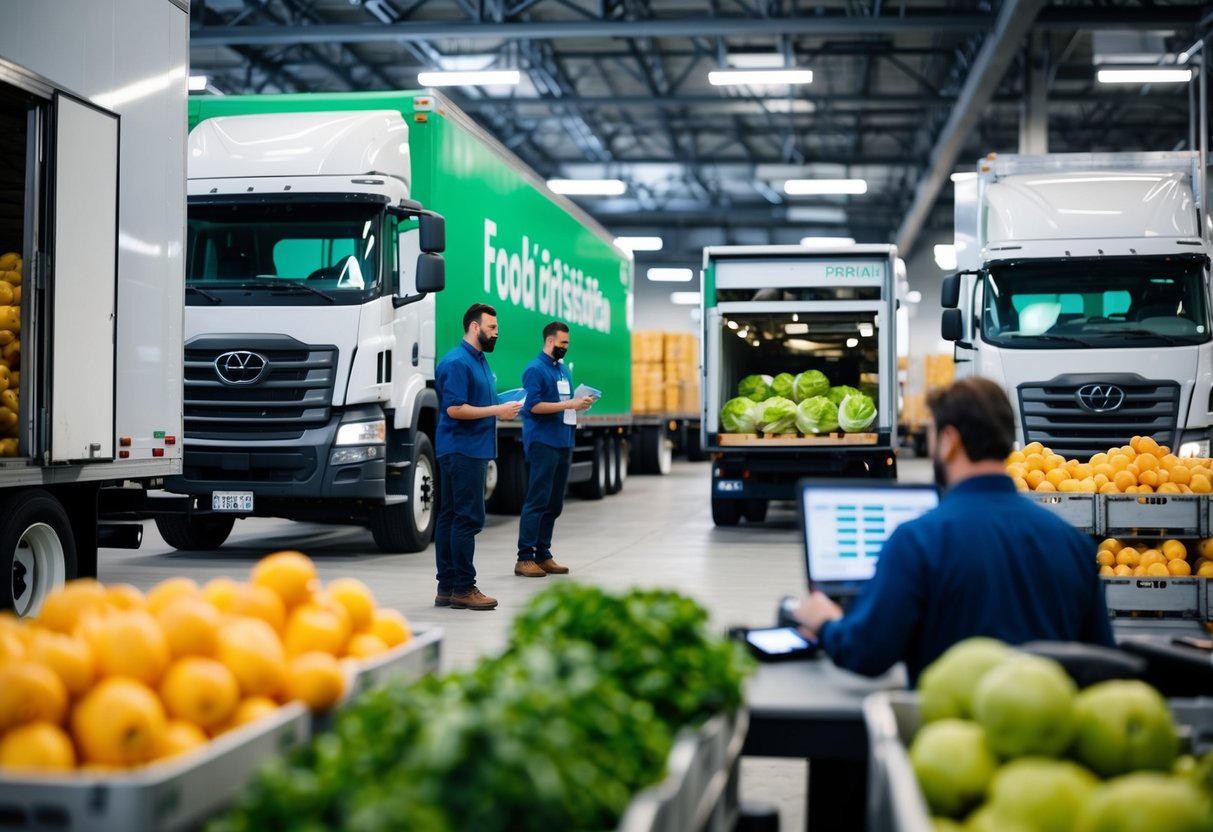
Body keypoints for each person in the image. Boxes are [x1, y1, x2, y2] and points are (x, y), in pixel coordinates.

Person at [793, 377, 1115, 682]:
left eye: (932, 435)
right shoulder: (1073, 544)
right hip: (1046, 731)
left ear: (949, 441)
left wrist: (825, 622)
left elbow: (866, 653)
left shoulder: (918, 542)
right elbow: (1102, 664)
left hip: (948, 731)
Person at [433, 303, 523, 611]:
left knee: (450, 516)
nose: (497, 333)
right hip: (462, 449)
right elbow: (454, 409)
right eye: (492, 328)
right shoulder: (457, 362)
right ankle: (463, 587)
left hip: (469, 448)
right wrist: (497, 410)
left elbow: (476, 402)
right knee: (467, 518)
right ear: (475, 327)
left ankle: (447, 587)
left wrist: (503, 404)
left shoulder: (479, 361)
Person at [514, 321, 595, 577]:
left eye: (567, 344)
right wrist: (569, 403)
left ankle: (543, 553)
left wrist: (578, 404)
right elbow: (533, 407)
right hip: (543, 442)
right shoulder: (535, 370)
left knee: (554, 502)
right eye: (563, 343)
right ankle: (524, 557)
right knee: (537, 500)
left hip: (563, 441)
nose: (565, 347)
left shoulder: (562, 371)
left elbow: (564, 403)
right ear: (550, 341)